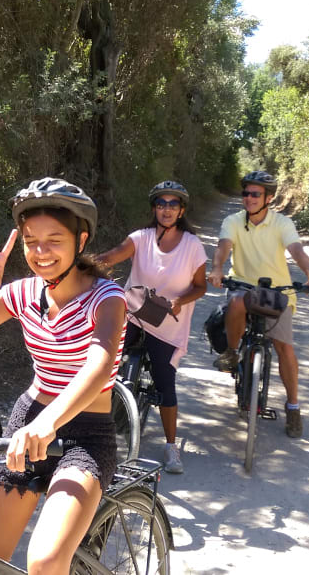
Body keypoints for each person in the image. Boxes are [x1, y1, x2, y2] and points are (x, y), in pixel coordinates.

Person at [0, 178, 126, 575]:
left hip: (85, 435)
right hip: (26, 423)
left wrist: (48, 424)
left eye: (54, 240)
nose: (40, 252)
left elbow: (98, 367)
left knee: (45, 561)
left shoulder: (106, 298)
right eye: (31, 241)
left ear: (81, 240)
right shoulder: (22, 293)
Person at [96, 180, 207, 474]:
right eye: (161, 204)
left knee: (164, 382)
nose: (166, 209)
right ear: (154, 209)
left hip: (168, 324)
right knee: (101, 362)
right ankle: (88, 425)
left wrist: (181, 301)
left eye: (173, 204)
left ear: (181, 210)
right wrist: (83, 266)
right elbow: (110, 257)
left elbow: (201, 286)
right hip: (133, 313)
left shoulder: (192, 246)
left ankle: (171, 447)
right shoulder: (141, 238)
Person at [207, 171, 309, 439]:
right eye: (246, 193)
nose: (249, 198)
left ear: (268, 198)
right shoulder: (233, 221)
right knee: (237, 301)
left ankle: (293, 406)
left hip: (276, 293)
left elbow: (297, 251)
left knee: (285, 348)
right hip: (243, 286)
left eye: (255, 194)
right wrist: (216, 268)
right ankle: (232, 353)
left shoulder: (282, 223)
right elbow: (223, 246)